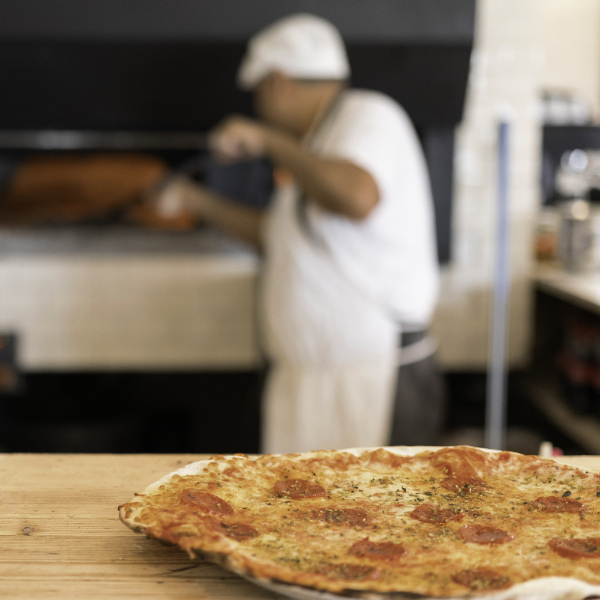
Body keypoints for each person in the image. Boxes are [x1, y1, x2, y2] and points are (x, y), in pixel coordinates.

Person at [151, 13, 444, 453]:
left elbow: (357, 197)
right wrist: (195, 201)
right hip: (316, 381)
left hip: (372, 376)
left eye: (259, 95)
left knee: (379, 515)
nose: (260, 108)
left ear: (279, 83)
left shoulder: (369, 115)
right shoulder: (317, 147)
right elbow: (279, 236)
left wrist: (267, 140)